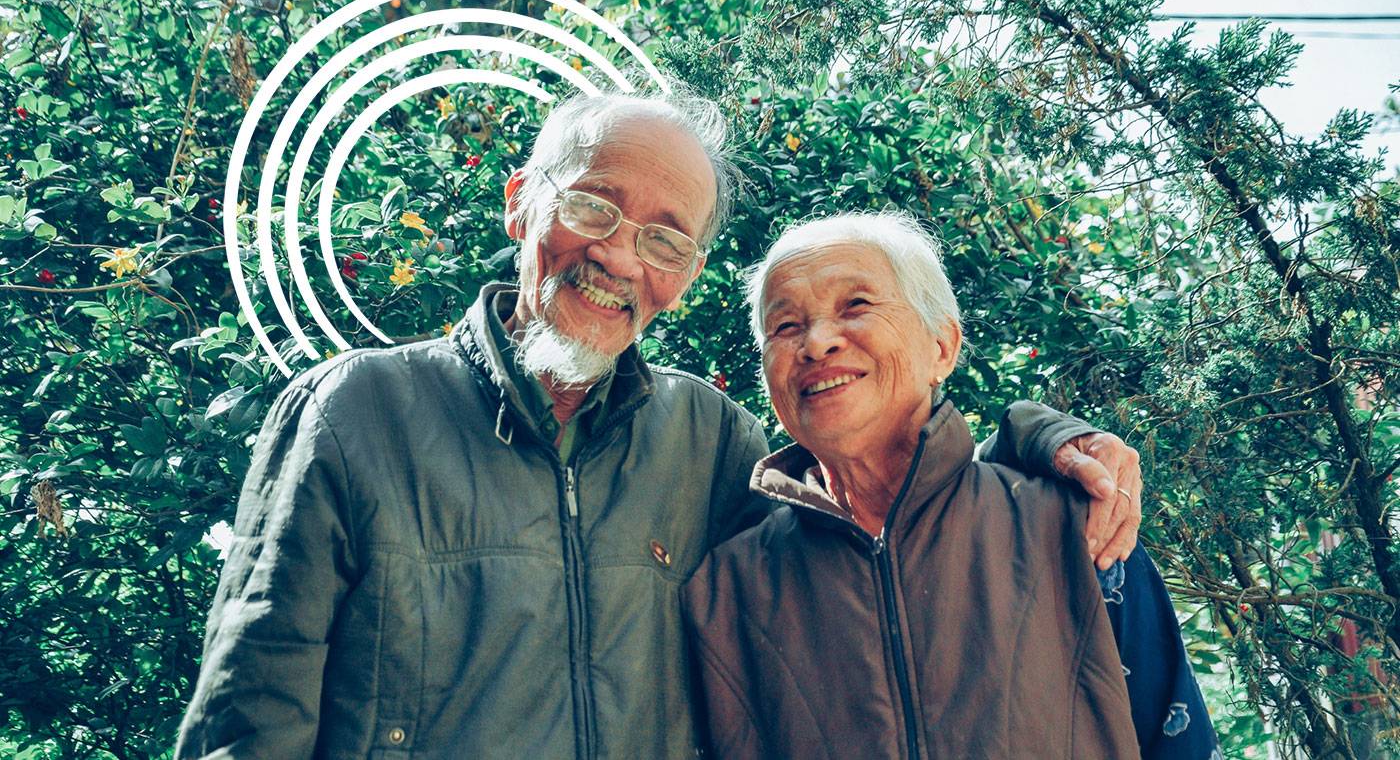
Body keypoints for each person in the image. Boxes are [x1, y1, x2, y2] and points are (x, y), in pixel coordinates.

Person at [176, 92, 1145, 759]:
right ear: (522, 204)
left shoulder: (710, 439)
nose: (616, 255)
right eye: (592, 203)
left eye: (664, 237)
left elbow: (894, 523)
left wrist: (1033, 438)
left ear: (684, 274)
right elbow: (247, 718)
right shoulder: (356, 413)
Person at [681, 211, 1218, 759]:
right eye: (786, 326)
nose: (817, 343)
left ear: (941, 347)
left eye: (856, 306)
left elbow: (1180, 740)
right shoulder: (726, 589)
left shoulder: (1073, 528)